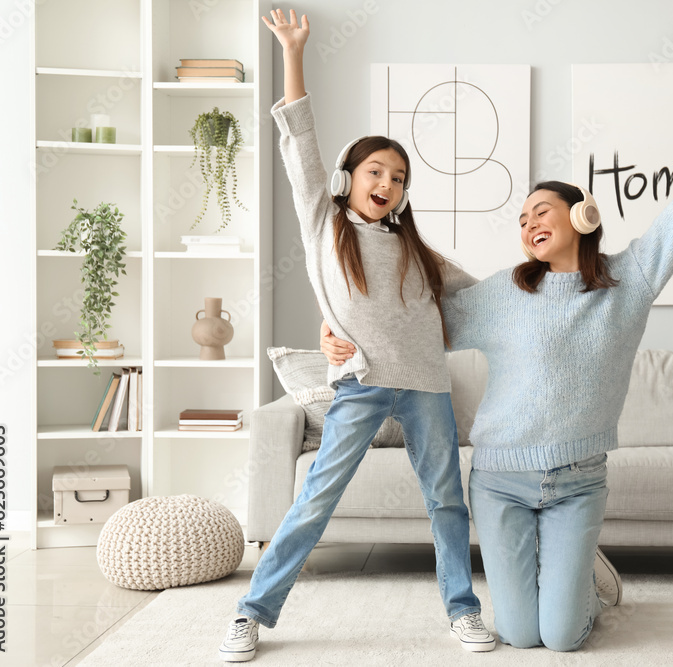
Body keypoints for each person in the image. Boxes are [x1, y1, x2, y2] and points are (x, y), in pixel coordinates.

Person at [322, 58, 673, 651]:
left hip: (578, 482)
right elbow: (408, 318)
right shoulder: (504, 291)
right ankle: (561, 573)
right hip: (499, 479)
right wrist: (334, 335)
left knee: (562, 637)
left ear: (582, 217)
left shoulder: (628, 282)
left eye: (542, 211)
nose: (528, 222)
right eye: (523, 216)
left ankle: (579, 575)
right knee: (519, 635)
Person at [218, 9, 493, 662]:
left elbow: (483, 297)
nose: (388, 184)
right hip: (361, 384)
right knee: (314, 502)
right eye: (376, 171)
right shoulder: (323, 219)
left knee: (447, 502)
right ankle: (250, 613)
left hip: (427, 385)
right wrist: (292, 51)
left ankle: (463, 609)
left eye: (397, 178)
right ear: (348, 177)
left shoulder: (418, 252)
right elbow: (301, 137)